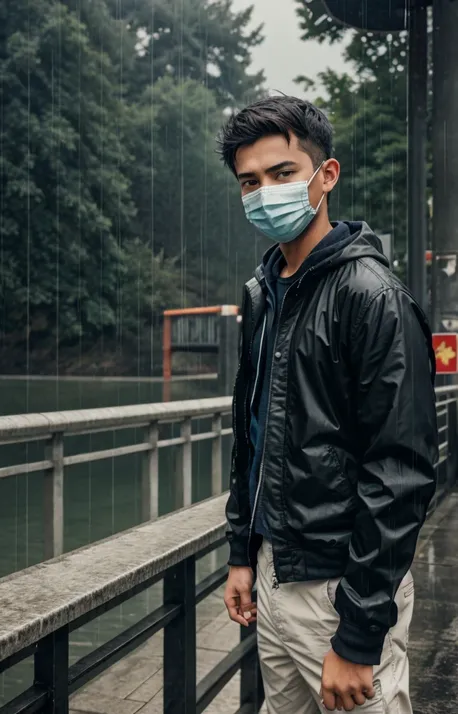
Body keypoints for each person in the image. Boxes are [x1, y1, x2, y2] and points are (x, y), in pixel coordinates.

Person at [219, 96, 438, 714]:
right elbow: (254, 437)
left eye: (283, 173)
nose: (265, 193)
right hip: (273, 571)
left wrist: (361, 632)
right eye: (249, 182)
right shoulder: (264, 294)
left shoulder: (373, 299)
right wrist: (243, 552)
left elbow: (399, 474)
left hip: (340, 586)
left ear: (326, 175)